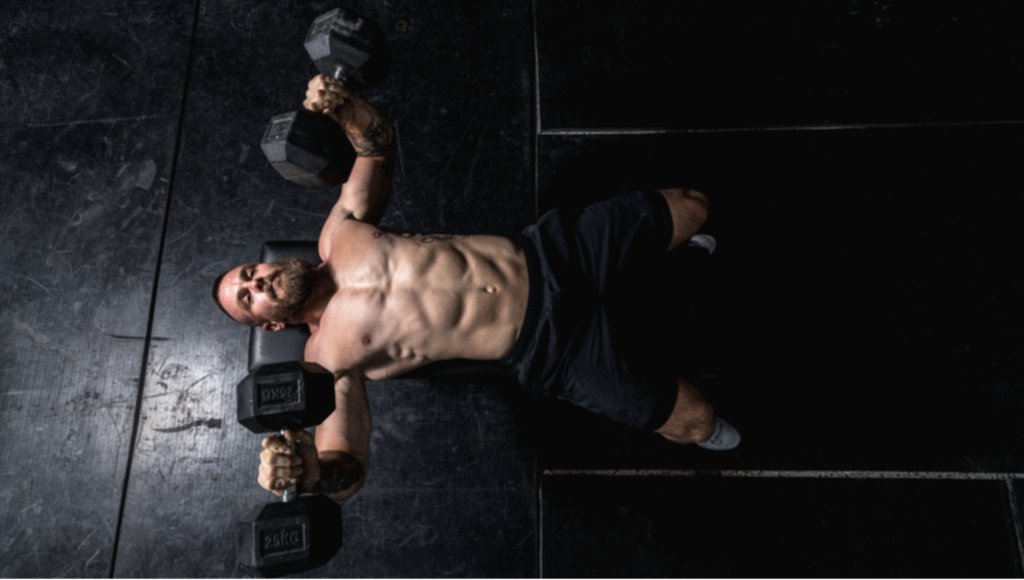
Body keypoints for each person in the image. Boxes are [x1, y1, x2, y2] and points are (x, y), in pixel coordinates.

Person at [212, 75, 741, 502]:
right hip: (552, 348)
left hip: (554, 254)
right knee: (697, 423)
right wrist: (310, 474)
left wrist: (346, 106)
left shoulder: (340, 232)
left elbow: (378, 149)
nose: (257, 280)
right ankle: (660, 279)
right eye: (249, 296)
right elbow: (350, 467)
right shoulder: (324, 363)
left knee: (695, 205)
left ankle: (664, 258)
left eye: (248, 273)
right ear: (270, 323)